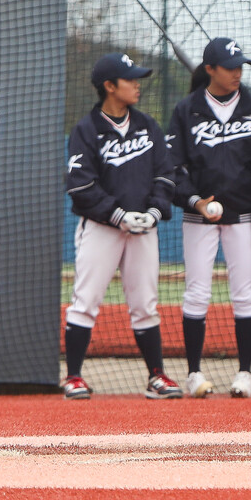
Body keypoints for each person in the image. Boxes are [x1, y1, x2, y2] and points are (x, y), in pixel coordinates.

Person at [62, 53, 180, 400]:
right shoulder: (87, 130)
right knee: (86, 299)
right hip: (102, 228)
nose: (137, 84)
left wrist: (155, 212)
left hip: (143, 227)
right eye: (130, 79)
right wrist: (117, 215)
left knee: (145, 302)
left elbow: (165, 173)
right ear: (109, 87)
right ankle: (73, 377)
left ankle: (156, 376)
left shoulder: (148, 125)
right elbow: (81, 185)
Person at [167, 37, 251, 399]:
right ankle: (194, 374)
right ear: (209, 69)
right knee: (196, 293)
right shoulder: (187, 110)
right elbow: (175, 167)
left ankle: (245, 373)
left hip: (243, 215)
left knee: (245, 294)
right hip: (200, 217)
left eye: (241, 67)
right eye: (230, 68)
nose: (237, 74)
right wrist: (195, 201)